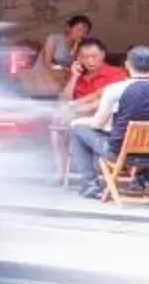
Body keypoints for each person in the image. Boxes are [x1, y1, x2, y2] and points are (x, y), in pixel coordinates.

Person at [69, 44, 149, 197]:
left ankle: (91, 186)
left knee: (77, 130)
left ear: (127, 65)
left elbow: (97, 123)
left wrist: (79, 121)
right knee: (147, 134)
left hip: (120, 154)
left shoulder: (115, 89)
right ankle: (142, 180)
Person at [49, 37, 121, 185]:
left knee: (69, 120)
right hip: (77, 117)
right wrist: (74, 77)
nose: (90, 61)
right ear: (78, 58)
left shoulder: (116, 73)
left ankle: (92, 176)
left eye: (94, 56)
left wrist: (74, 108)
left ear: (103, 54)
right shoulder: (76, 73)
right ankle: (61, 172)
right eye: (84, 57)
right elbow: (64, 100)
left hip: (104, 120)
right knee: (55, 129)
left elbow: (102, 100)